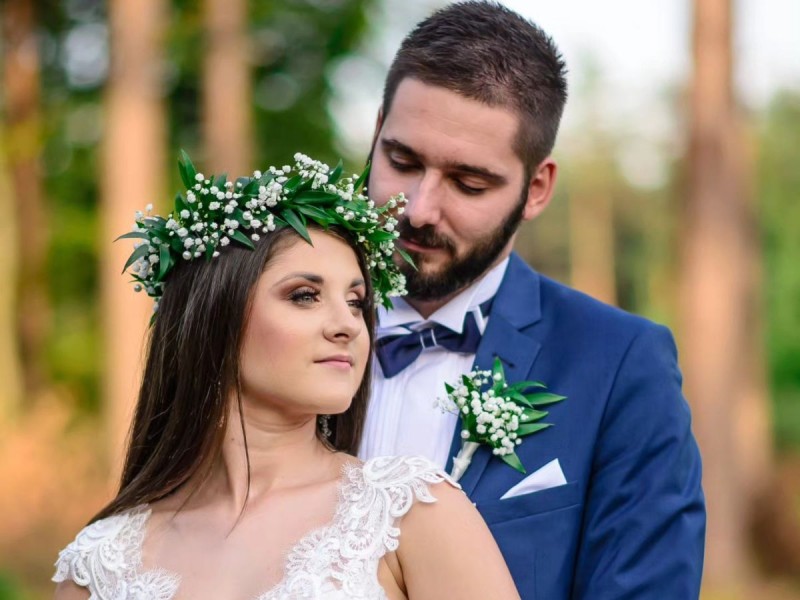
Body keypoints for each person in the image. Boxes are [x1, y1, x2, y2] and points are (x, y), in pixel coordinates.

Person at [52, 154, 520, 600]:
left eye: (356, 302)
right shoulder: (100, 561)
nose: (348, 325)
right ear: (217, 317)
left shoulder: (410, 512)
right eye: (304, 296)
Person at [359, 2, 706, 598]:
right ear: (377, 131)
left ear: (537, 188)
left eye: (468, 183)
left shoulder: (621, 365)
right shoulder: (266, 317)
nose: (418, 209)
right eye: (402, 161)